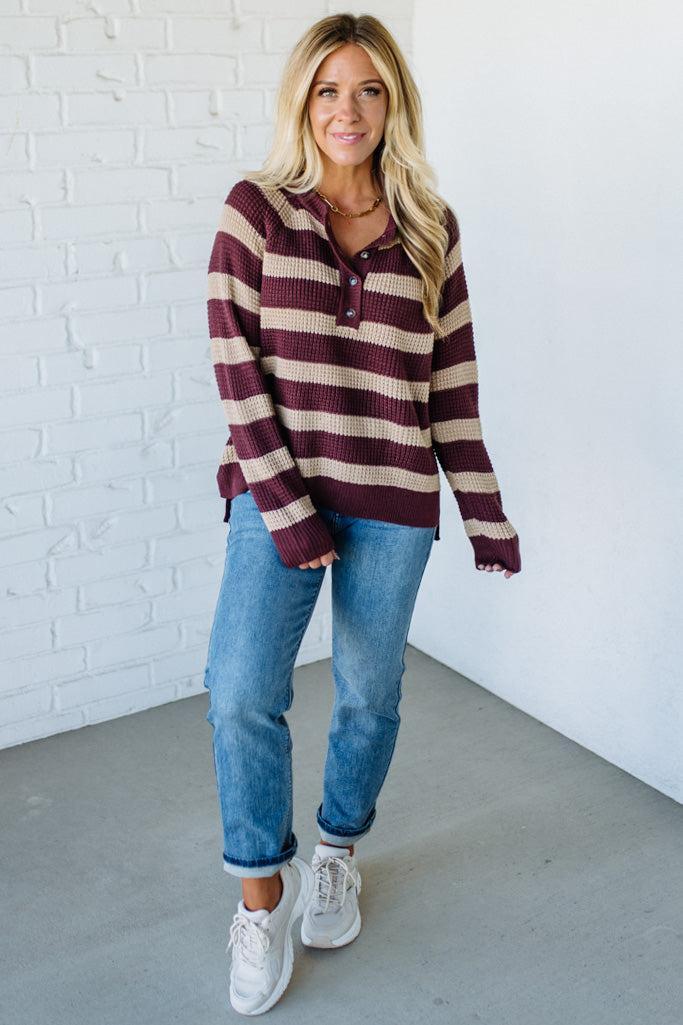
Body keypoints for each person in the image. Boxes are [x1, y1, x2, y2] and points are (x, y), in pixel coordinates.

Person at [203, 12, 521, 1016]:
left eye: (369, 90)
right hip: (276, 489)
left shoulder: (430, 226)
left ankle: (336, 848)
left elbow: (452, 385)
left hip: (392, 501)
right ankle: (260, 895)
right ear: (302, 98)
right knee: (239, 689)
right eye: (329, 89)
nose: (348, 109)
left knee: (368, 694)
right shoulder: (253, 211)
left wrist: (482, 509)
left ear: (394, 105)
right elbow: (235, 373)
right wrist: (287, 508)